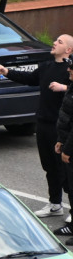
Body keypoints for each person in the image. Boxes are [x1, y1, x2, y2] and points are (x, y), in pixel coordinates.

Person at [0, 34, 73, 219]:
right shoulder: (47, 65)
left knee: (65, 169)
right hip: (43, 123)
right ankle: (55, 204)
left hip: (61, 127)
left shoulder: (70, 70)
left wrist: (64, 88)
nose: (54, 43)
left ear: (69, 50)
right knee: (49, 166)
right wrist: (7, 72)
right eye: (55, 40)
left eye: (60, 42)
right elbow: (30, 78)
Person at [55, 61, 73, 244]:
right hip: (67, 143)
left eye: (72, 67)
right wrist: (60, 140)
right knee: (69, 186)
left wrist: (67, 150)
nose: (68, 69)